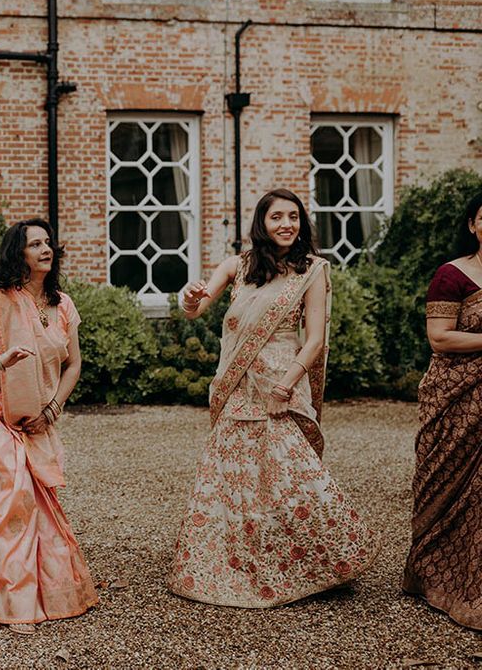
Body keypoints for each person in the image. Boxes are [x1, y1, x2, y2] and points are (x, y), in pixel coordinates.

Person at [168, 188, 378, 608]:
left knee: (292, 474)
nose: (287, 224)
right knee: (232, 479)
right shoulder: (238, 266)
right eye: (277, 217)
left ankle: (323, 558)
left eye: (294, 217)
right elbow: (195, 308)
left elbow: (315, 339)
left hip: (280, 382)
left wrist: (287, 382)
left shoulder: (312, 270)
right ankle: (235, 560)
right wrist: (188, 297)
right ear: (261, 223)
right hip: (235, 385)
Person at [0, 218, 98, 634]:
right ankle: (10, 599)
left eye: (48, 242)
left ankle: (47, 590)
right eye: (35, 244)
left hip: (37, 417)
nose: (45, 249)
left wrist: (54, 407)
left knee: (34, 500)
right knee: (8, 501)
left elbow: (74, 363)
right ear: (19, 254)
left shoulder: (62, 304)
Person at [403, 191, 482, 629]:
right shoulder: (452, 275)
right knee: (446, 486)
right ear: (472, 224)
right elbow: (441, 339)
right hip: (456, 397)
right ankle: (437, 571)